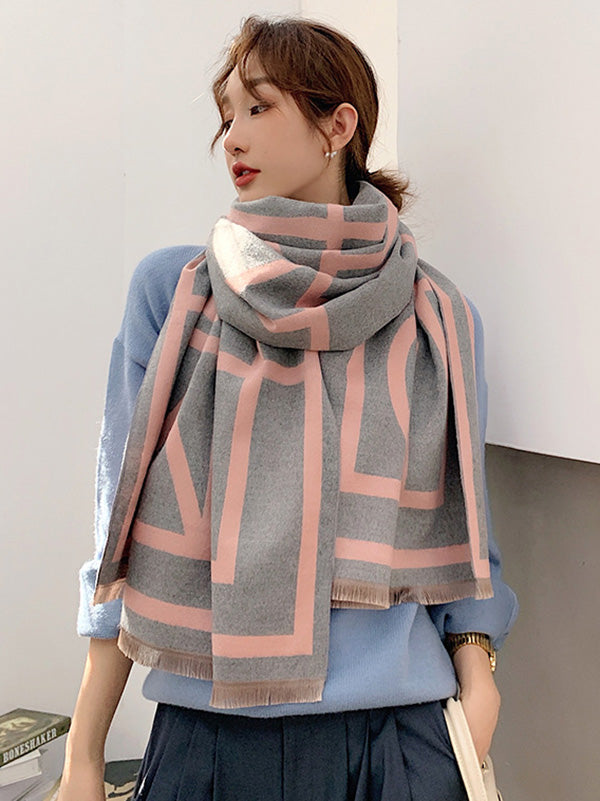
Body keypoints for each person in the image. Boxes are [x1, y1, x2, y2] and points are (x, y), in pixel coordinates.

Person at [58, 14, 518, 801]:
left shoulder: (438, 316)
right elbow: (118, 533)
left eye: (259, 107)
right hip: (208, 738)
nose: (232, 136)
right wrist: (83, 755)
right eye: (226, 114)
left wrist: (480, 683)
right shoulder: (174, 297)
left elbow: (468, 533)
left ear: (338, 126)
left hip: (397, 740)